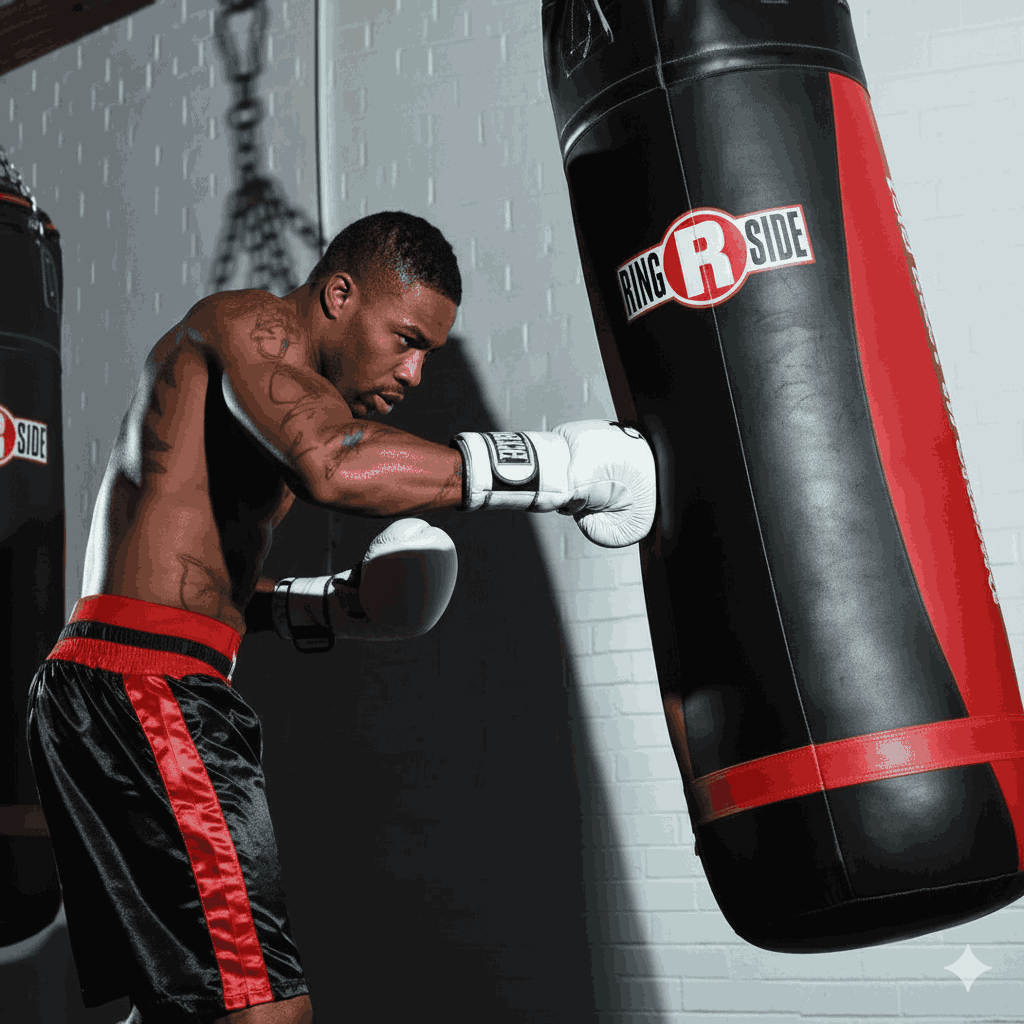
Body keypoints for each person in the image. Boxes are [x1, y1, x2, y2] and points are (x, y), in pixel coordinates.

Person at [26, 211, 656, 1023]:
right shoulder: (248, 325)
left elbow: (185, 586)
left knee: (179, 1006)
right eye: (405, 338)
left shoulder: (265, 405)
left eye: (427, 350)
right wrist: (560, 466)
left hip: (106, 683)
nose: (416, 372)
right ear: (339, 293)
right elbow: (339, 464)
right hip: (150, 692)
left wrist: (332, 605)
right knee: (267, 1011)